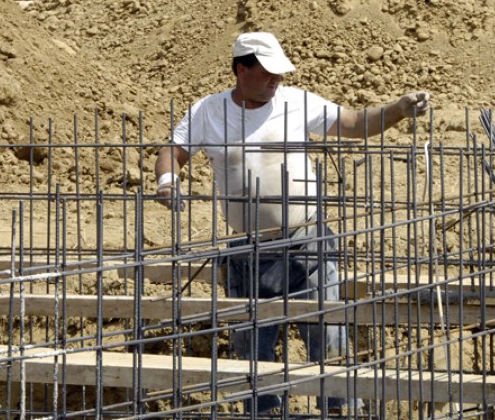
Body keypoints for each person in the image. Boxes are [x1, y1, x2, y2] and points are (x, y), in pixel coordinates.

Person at [155, 32, 430, 414]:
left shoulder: (296, 102)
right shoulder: (209, 111)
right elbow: (173, 151)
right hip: (248, 250)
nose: (276, 80)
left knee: (328, 335)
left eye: (280, 74)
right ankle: (265, 411)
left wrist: (397, 109)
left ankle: (340, 409)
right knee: (253, 351)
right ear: (241, 69)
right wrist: (168, 181)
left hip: (306, 243)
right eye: (268, 73)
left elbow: (352, 122)